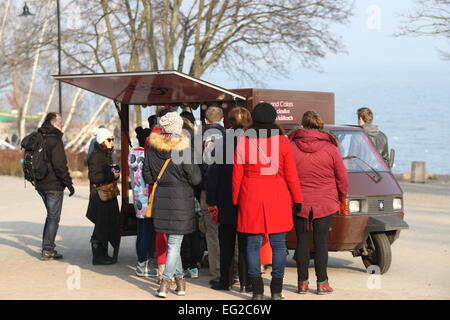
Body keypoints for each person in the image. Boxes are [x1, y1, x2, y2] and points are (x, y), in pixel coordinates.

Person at [232, 102, 303, 300]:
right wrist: (298, 199)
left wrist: (236, 199)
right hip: (277, 194)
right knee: (279, 244)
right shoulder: (282, 142)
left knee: (252, 244)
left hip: (250, 193)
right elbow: (291, 175)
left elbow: (237, 174)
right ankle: (277, 290)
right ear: (273, 119)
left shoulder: (244, 141)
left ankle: (256, 291)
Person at [143, 111, 201, 298]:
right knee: (175, 244)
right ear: (178, 128)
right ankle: (165, 283)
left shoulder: (152, 147)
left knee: (172, 243)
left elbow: (148, 176)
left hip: (161, 197)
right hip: (181, 199)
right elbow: (195, 178)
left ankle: (181, 283)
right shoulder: (184, 148)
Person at [290, 110, 348, 295]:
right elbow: (342, 177)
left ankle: (302, 283)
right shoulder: (331, 148)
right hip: (325, 202)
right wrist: (342, 197)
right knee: (321, 243)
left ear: (302, 125)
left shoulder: (291, 146)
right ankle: (322, 283)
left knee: (302, 242)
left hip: (299, 201)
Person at [207, 107, 252, 292]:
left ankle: (225, 280)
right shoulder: (254, 141)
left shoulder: (222, 143)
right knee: (246, 244)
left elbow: (213, 175)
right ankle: (245, 282)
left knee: (226, 243)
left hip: (225, 200)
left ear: (230, 122)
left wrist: (212, 200)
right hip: (248, 199)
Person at [35, 112, 75, 260]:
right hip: (53, 185)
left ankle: (48, 247)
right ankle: (48, 249)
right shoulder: (55, 139)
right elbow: (60, 165)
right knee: (53, 217)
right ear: (52, 123)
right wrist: (68, 184)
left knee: (50, 216)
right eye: (60, 122)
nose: (62, 125)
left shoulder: (39, 136)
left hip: (40, 184)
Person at [86, 128, 120, 265]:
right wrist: (112, 175)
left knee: (106, 224)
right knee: (101, 226)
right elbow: (94, 177)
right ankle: (98, 257)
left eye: (112, 139)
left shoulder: (104, 154)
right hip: (100, 196)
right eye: (109, 139)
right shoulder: (96, 155)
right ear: (102, 141)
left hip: (106, 195)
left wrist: (114, 171)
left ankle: (103, 255)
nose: (112, 142)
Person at [200, 104, 225, 285]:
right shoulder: (231, 137)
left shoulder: (197, 138)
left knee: (212, 233)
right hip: (227, 191)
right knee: (230, 231)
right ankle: (234, 269)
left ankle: (217, 272)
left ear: (205, 120)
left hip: (206, 189)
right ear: (223, 120)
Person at [129, 127, 156, 277]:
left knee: (140, 232)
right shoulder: (148, 155)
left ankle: (140, 262)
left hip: (137, 198)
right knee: (147, 233)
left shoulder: (133, 154)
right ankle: (143, 264)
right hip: (148, 198)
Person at [180, 111, 204, 279]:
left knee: (181, 233)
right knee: (195, 231)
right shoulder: (197, 142)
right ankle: (194, 263)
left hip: (180, 194)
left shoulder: (174, 144)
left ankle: (185, 264)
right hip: (194, 191)